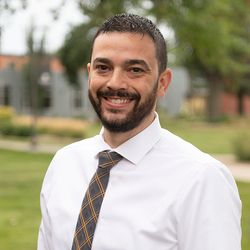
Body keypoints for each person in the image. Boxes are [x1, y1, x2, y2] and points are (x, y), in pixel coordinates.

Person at [38, 13, 241, 250]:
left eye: (134, 70)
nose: (115, 83)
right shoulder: (64, 164)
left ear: (163, 83)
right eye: (103, 67)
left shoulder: (201, 180)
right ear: (89, 72)